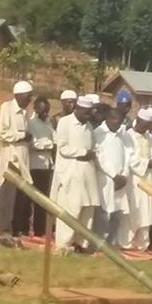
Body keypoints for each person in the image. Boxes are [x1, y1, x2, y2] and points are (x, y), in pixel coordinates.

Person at [51, 96, 100, 252]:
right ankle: (64, 245)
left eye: (90, 112)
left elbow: (93, 146)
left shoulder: (89, 126)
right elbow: (63, 148)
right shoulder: (65, 123)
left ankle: (81, 244)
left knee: (87, 210)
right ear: (78, 109)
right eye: (86, 112)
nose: (88, 115)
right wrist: (83, 153)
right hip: (71, 173)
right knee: (71, 209)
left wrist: (90, 153)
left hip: (88, 174)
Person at [0, 81, 34, 239]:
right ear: (18, 95)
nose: (30, 99)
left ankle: (16, 228)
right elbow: (1, 133)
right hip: (11, 157)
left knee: (20, 196)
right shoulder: (7, 108)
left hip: (23, 157)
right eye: (28, 96)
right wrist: (21, 136)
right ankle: (4, 229)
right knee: (7, 193)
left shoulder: (25, 113)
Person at [124, 109, 152, 251]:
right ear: (138, 121)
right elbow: (129, 158)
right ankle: (128, 242)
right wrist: (145, 163)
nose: (148, 128)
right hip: (135, 179)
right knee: (135, 211)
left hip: (148, 178)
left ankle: (142, 243)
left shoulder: (148, 136)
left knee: (147, 213)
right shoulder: (128, 136)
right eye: (146, 125)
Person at [94, 107, 130, 247]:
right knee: (103, 212)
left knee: (117, 212)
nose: (118, 124)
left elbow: (127, 154)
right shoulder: (99, 133)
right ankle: (98, 242)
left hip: (121, 179)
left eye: (120, 121)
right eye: (116, 120)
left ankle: (111, 242)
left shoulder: (122, 134)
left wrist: (124, 174)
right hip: (105, 179)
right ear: (109, 118)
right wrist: (114, 176)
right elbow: (99, 157)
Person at [20, 97, 55, 237]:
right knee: (28, 199)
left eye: (47, 111)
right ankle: (24, 228)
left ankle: (39, 230)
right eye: (43, 111)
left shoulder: (49, 124)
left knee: (42, 200)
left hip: (46, 166)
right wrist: (46, 145)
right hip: (33, 165)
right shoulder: (30, 123)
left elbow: (55, 141)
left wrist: (47, 145)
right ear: (36, 109)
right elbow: (31, 144)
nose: (45, 114)